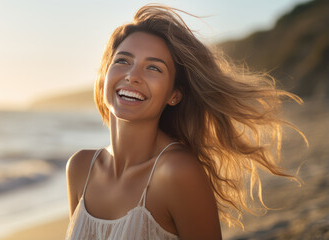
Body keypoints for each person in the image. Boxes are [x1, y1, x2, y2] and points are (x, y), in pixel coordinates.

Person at [65, 4, 304, 240]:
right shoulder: (80, 168)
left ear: (174, 95)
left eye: (153, 68)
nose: (132, 76)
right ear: (105, 73)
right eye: (123, 61)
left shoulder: (177, 172)